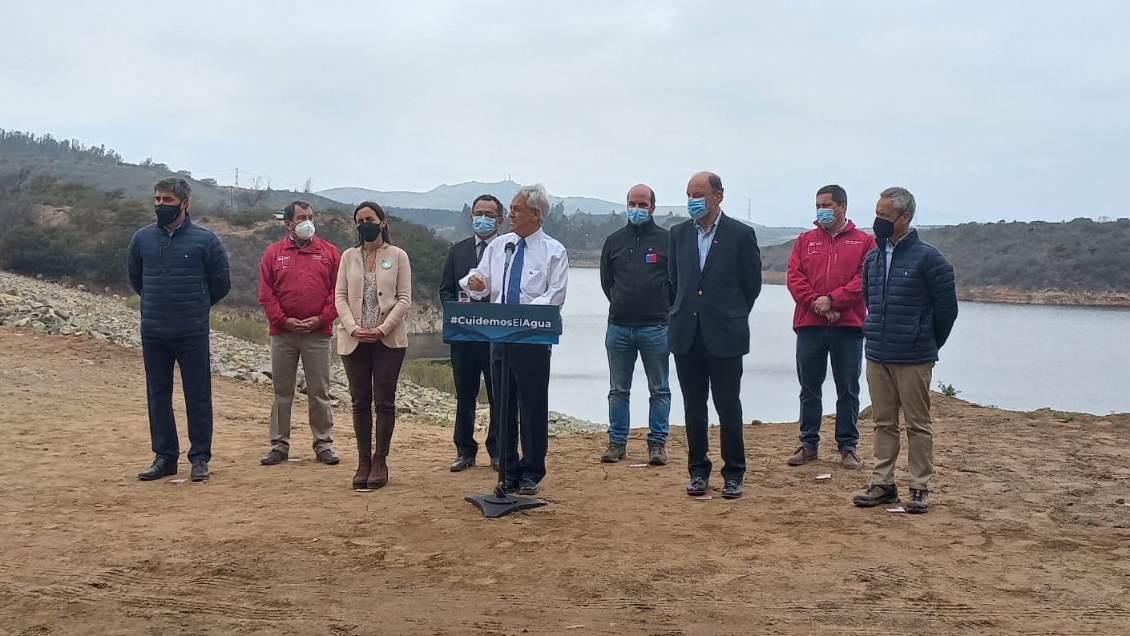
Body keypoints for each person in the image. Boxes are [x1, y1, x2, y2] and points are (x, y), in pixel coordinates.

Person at [852, 187, 958, 514]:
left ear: (905, 217)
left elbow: (946, 312)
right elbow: (871, 301)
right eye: (877, 213)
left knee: (917, 424)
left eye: (884, 216)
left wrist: (925, 343)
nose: (877, 221)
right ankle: (882, 482)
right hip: (878, 353)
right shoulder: (871, 258)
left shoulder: (929, 258)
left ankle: (919, 487)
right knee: (883, 422)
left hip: (914, 356)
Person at [461, 183, 568, 496]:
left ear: (535, 215)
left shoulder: (554, 251)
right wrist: (475, 283)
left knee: (532, 407)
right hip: (499, 340)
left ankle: (531, 471)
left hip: (532, 340)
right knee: (503, 406)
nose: (511, 215)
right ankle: (507, 471)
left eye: (517, 210)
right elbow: (479, 282)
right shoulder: (500, 246)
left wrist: (521, 315)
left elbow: (556, 295)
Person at [127, 178, 230, 482]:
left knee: (197, 395)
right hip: (154, 330)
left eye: (167, 200)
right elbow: (137, 279)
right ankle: (164, 457)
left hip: (192, 331)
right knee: (157, 394)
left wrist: (197, 305)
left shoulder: (206, 240)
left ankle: (199, 458)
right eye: (157, 199)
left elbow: (221, 284)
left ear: (184, 203)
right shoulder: (142, 238)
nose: (161, 205)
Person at [668, 172, 761, 499]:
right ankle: (697, 471)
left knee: (728, 407)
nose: (692, 199)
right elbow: (673, 282)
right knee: (694, 407)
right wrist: (678, 312)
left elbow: (751, 286)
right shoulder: (678, 234)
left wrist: (730, 314)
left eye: (698, 194)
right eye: (689, 194)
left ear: (717, 197)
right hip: (686, 335)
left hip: (725, 334)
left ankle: (734, 473)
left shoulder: (740, 234)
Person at [785, 185, 876, 470]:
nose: (821, 210)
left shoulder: (864, 242)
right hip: (809, 325)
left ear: (842, 207)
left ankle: (848, 447)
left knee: (847, 389)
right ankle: (808, 443)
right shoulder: (804, 240)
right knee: (809, 388)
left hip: (848, 326)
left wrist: (835, 301)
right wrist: (817, 303)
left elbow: (865, 279)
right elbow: (794, 277)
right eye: (818, 205)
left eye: (826, 204)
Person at [257, 200, 342, 467]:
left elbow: (337, 292)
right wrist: (284, 320)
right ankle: (279, 445)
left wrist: (320, 319)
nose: (307, 221)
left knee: (319, 390)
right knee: (283, 391)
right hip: (283, 334)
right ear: (288, 223)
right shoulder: (273, 253)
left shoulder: (329, 252)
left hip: (318, 334)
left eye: (310, 216)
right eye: (302, 217)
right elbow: (266, 294)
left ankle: (323, 444)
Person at [335, 202, 412, 490]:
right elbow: (340, 296)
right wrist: (354, 328)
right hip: (354, 339)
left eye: (370, 219)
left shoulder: (398, 256)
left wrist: (382, 328)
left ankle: (380, 461)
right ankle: (363, 461)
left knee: (384, 401)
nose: (364, 224)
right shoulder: (347, 257)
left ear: (382, 222)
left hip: (388, 340)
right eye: (359, 220)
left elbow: (404, 298)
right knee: (359, 402)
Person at [598, 183, 672, 466]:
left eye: (642, 204)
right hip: (619, 327)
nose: (637, 209)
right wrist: (620, 301)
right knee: (618, 389)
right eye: (632, 204)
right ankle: (617, 443)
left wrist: (665, 309)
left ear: (652, 207)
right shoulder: (614, 241)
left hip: (656, 327)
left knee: (659, 389)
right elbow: (608, 282)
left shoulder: (667, 241)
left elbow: (675, 282)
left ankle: (657, 444)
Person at [440, 195, 505, 472]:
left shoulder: (508, 250)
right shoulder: (457, 250)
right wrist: (456, 313)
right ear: (471, 218)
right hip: (463, 338)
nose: (483, 218)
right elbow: (445, 290)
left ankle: (498, 450)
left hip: (495, 338)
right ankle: (464, 450)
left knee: (498, 397)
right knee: (465, 396)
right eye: (478, 213)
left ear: (500, 220)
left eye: (489, 214)